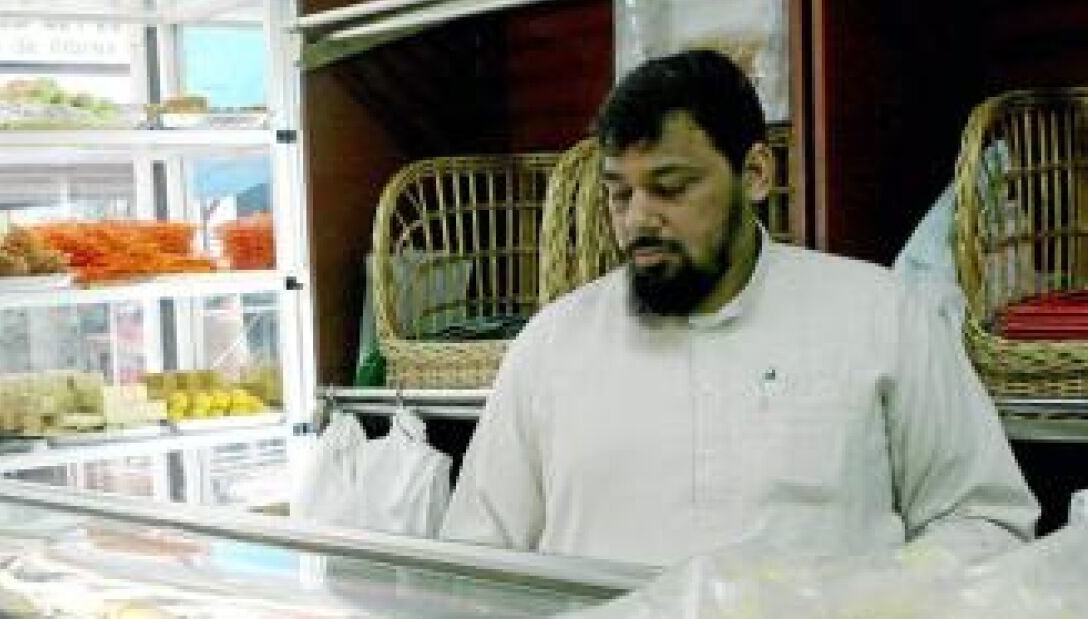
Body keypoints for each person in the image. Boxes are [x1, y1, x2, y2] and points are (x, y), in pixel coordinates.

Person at [440, 50, 1038, 567]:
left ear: (754, 173)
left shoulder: (882, 316)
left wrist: (866, 598)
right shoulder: (552, 348)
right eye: (620, 193)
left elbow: (985, 524)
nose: (638, 219)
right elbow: (472, 560)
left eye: (670, 187)